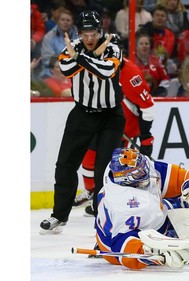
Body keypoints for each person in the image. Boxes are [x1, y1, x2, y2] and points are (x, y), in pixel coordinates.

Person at [40, 10, 125, 234]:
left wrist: (79, 58)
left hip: (110, 116)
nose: (89, 38)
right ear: (79, 33)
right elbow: (65, 69)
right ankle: (59, 216)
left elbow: (107, 71)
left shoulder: (113, 47)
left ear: (101, 31)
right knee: (65, 165)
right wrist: (88, 58)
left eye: (94, 33)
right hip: (82, 113)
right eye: (85, 34)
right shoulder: (70, 47)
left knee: (103, 170)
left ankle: (103, 215)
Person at [73, 57, 156, 212]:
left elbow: (148, 107)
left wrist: (146, 138)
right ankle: (92, 192)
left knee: (114, 167)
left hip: (124, 128)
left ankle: (107, 199)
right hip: (100, 121)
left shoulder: (131, 75)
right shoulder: (95, 64)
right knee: (88, 158)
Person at [40, 7, 78, 78]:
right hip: (53, 70)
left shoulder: (80, 35)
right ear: (58, 21)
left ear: (72, 22)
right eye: (62, 20)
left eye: (68, 20)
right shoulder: (49, 37)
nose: (65, 22)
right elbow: (47, 58)